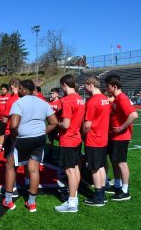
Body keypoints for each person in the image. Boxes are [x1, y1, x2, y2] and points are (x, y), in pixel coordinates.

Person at [6, 80, 57, 212]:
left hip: (23, 139)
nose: (18, 91)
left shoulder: (18, 103)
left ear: (25, 89)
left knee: (10, 166)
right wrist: (42, 132)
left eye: (20, 88)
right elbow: (54, 122)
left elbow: (13, 125)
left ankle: (8, 200)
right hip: (39, 138)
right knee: (34, 169)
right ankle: (31, 203)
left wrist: (13, 135)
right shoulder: (43, 102)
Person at [55, 74, 85, 213]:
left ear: (64, 85)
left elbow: (65, 124)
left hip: (68, 139)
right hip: (76, 138)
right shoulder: (80, 99)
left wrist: (56, 124)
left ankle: (72, 202)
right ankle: (74, 197)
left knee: (70, 170)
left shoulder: (67, 100)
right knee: (75, 168)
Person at [105, 75, 138, 201]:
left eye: (108, 86)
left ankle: (125, 190)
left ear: (114, 86)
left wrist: (121, 128)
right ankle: (118, 185)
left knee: (121, 163)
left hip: (121, 136)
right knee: (115, 161)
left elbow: (134, 115)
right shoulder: (117, 99)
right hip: (116, 136)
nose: (107, 89)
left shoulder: (122, 98)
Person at [82, 77, 110, 206]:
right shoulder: (104, 99)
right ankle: (102, 193)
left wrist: (82, 133)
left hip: (93, 138)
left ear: (91, 85)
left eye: (86, 86)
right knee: (100, 166)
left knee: (94, 168)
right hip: (103, 138)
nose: (85, 89)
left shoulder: (92, 101)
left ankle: (98, 197)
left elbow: (87, 125)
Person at [1, 78, 21, 198]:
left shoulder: (11, 100)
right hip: (24, 133)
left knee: (10, 163)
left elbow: (4, 118)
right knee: (19, 161)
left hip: (11, 133)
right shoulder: (25, 99)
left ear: (12, 87)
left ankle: (12, 188)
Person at [48, 88, 62, 157]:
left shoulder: (60, 102)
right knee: (51, 139)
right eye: (51, 93)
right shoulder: (49, 103)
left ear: (57, 94)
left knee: (60, 139)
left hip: (57, 124)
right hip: (50, 124)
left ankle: (60, 153)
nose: (51, 94)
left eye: (53, 93)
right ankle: (50, 152)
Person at [0, 83, 11, 152]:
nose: (3, 90)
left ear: (7, 90)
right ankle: (0, 146)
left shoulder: (10, 96)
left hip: (8, 119)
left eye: (4, 89)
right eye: (2, 89)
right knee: (1, 133)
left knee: (8, 133)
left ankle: (6, 145)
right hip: (0, 118)